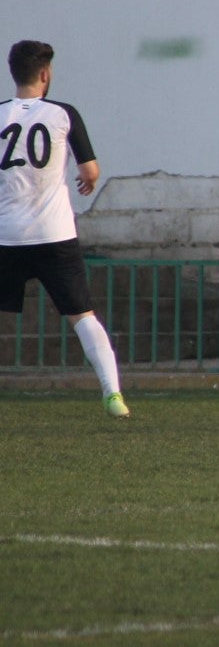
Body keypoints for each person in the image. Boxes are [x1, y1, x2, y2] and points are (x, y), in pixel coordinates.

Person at [1, 40, 127, 418]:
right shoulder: (63, 114)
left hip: (6, 235)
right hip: (53, 234)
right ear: (45, 74)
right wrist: (85, 179)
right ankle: (112, 395)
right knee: (82, 315)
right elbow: (89, 170)